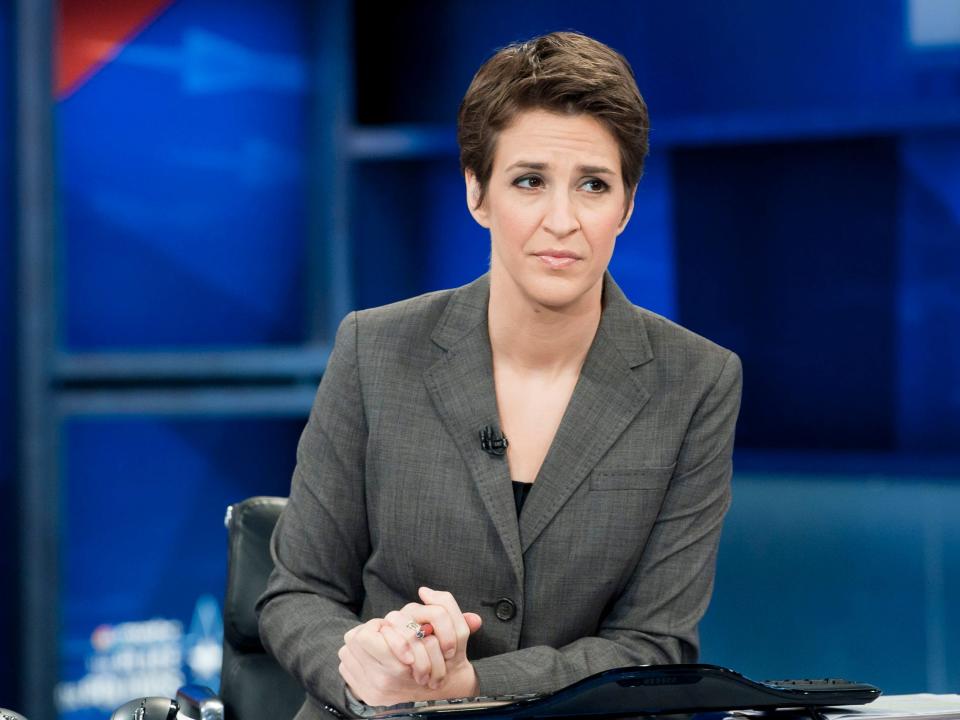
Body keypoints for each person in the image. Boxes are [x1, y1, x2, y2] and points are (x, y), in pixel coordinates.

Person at [257, 30, 742, 720]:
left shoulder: (696, 382)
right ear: (478, 193)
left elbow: (655, 645)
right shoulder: (375, 350)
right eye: (529, 181)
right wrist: (366, 662)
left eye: (593, 186)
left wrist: (466, 686)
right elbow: (296, 591)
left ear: (627, 207)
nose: (562, 221)